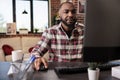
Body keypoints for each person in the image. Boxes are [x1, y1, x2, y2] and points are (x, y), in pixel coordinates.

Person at [31, 1, 84, 71]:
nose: (70, 15)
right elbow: (36, 51)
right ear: (59, 15)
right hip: (56, 72)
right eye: (66, 12)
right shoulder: (50, 32)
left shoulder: (84, 31)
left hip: (80, 72)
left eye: (73, 12)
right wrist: (37, 58)